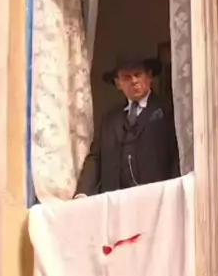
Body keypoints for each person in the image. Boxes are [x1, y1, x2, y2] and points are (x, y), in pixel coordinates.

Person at [74, 51, 180, 198]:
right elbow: (96, 158)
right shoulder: (110, 119)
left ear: (149, 76)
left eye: (138, 75)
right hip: (117, 201)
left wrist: (174, 191)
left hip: (157, 198)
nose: (134, 81)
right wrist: (82, 192)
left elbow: (178, 153)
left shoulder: (168, 111)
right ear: (118, 83)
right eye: (127, 77)